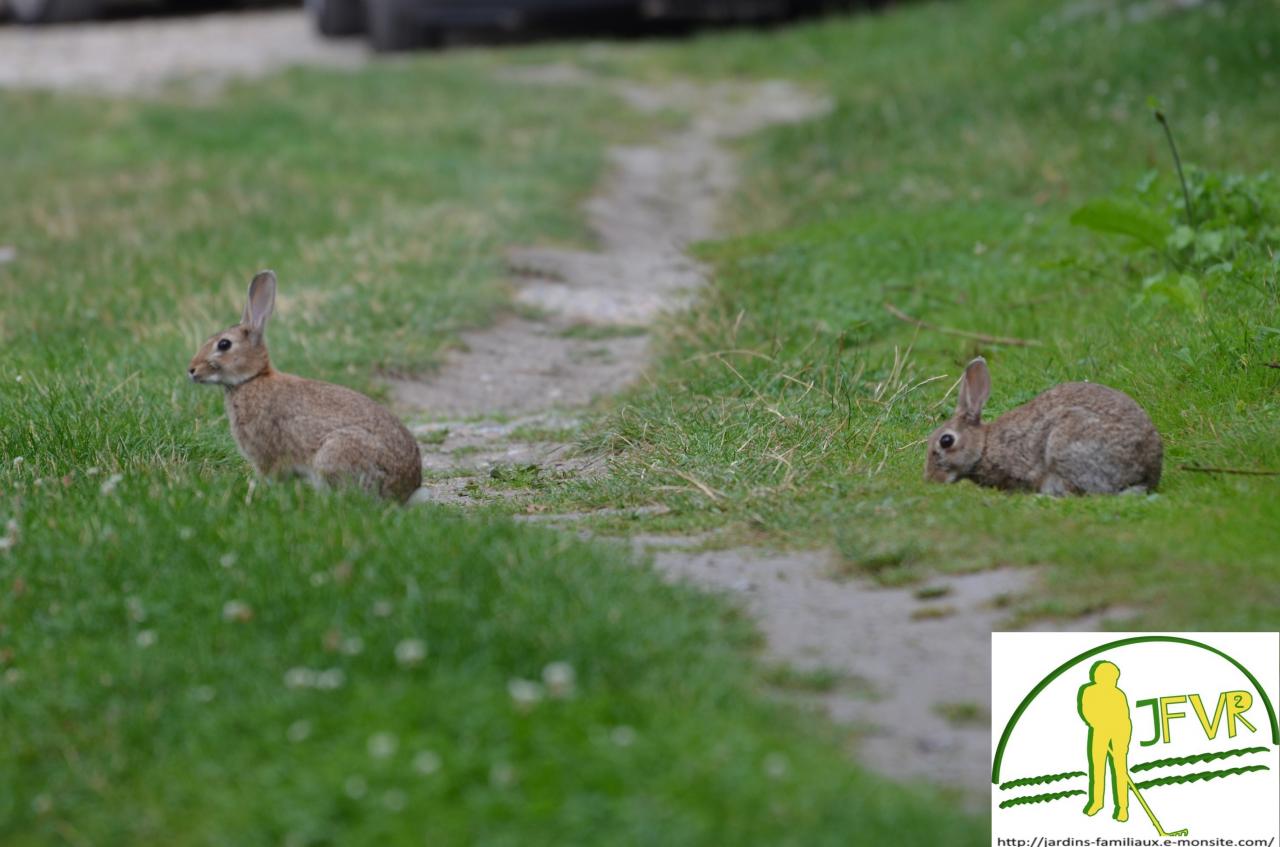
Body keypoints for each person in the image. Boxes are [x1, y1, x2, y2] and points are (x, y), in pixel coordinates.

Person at [1078, 660, 1132, 821]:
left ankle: (1123, 808)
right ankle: (1097, 802)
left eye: (1113, 677)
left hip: (1119, 733)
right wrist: (1096, 722)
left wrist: (1123, 743)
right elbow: (1086, 710)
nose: (1111, 680)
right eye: (1107, 676)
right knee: (1098, 769)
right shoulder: (1090, 691)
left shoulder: (1118, 694)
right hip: (1100, 731)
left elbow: (1125, 718)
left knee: (1120, 770)